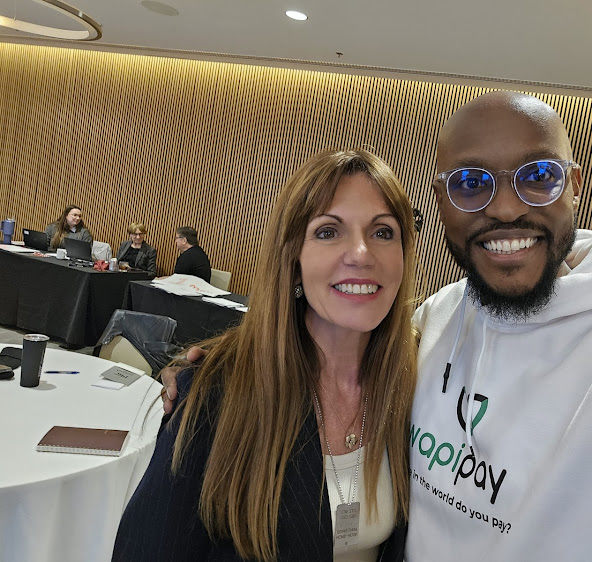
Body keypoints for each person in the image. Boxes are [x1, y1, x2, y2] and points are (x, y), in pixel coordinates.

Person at [162, 92, 592, 561]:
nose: (504, 208)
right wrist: (222, 365)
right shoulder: (435, 324)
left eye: (537, 176)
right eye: (471, 184)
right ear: (440, 203)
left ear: (574, 186)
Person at [114, 149, 418, 561]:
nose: (362, 254)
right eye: (328, 232)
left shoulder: (417, 380)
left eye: (383, 232)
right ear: (294, 260)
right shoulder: (218, 391)